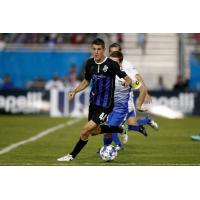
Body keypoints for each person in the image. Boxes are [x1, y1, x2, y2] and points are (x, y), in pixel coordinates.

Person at [57, 38, 132, 162]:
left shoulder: (111, 64)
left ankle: (71, 156)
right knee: (94, 131)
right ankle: (120, 129)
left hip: (106, 105)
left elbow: (127, 78)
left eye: (99, 49)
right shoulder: (89, 63)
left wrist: (126, 82)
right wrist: (74, 91)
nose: (96, 52)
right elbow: (86, 81)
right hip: (93, 104)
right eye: (94, 49)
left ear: (103, 50)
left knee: (85, 130)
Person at [103, 43, 158, 149]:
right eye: (112, 53)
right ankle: (145, 122)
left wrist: (142, 98)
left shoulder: (127, 69)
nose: (113, 55)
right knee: (121, 125)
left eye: (116, 52)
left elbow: (139, 82)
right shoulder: (106, 66)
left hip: (124, 102)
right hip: (110, 103)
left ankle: (116, 145)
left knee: (112, 126)